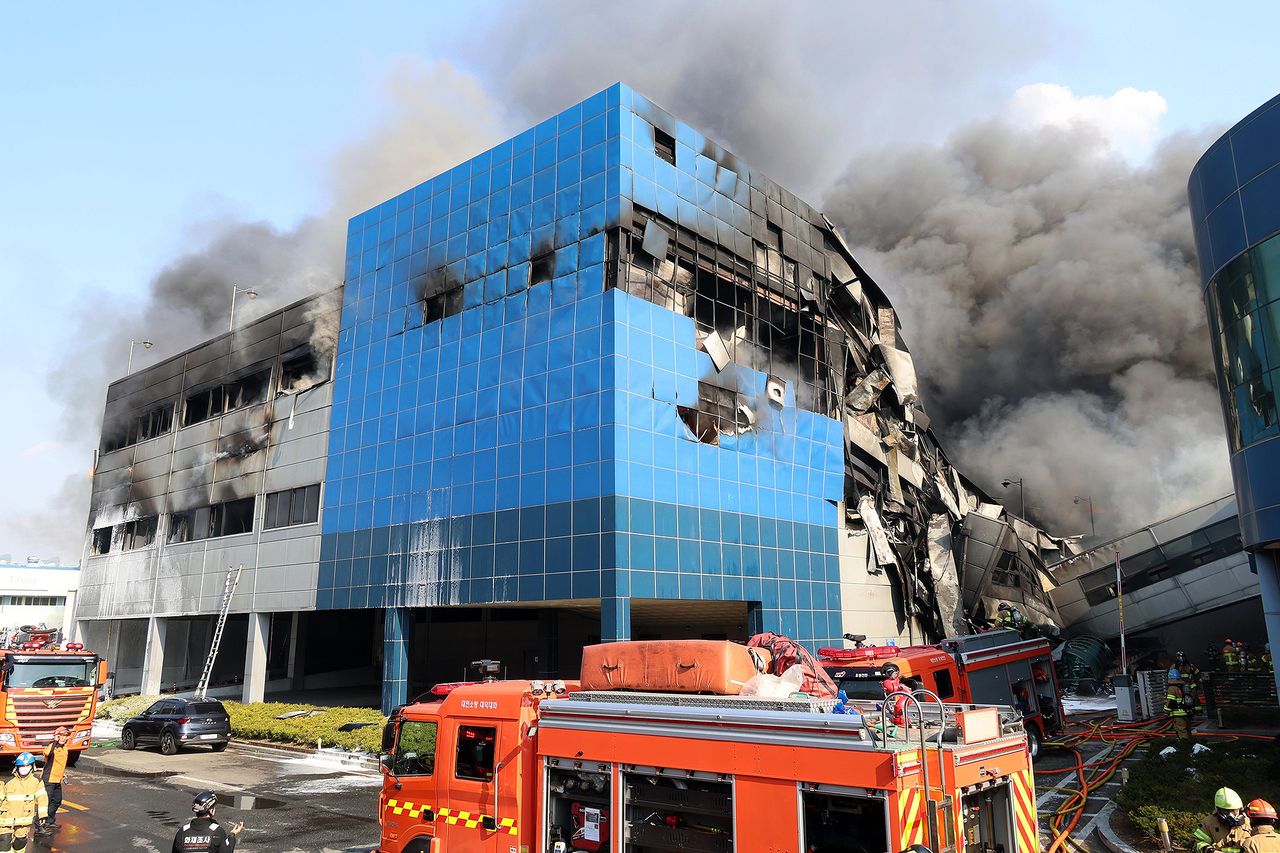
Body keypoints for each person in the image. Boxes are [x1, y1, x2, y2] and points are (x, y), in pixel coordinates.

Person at [0, 752, 48, 851]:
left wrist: (43, 815)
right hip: (5, 820)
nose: (24, 768)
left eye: (27, 766)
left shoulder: (37, 782)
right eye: (21, 766)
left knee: (20, 843)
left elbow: (42, 798)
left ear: (32, 767)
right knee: (4, 842)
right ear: (17, 767)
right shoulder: (7, 782)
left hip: (24, 820)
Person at [172, 790, 243, 852]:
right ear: (210, 811)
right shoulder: (217, 831)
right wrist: (232, 835)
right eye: (214, 807)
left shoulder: (182, 831)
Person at [1194, 787, 1252, 853]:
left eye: (1234, 810)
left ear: (1240, 809)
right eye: (1226, 811)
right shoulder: (1208, 823)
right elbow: (1197, 842)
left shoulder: (1249, 822)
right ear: (1218, 809)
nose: (1231, 815)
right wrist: (1210, 850)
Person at [36, 726, 70, 833]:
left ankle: (49, 821)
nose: (64, 738)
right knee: (45, 803)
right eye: (62, 736)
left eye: (66, 736)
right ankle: (39, 826)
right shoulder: (52, 746)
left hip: (57, 779)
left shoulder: (65, 747)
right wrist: (55, 742)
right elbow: (47, 754)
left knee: (57, 801)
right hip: (48, 779)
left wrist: (63, 774)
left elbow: (60, 763)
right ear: (57, 736)